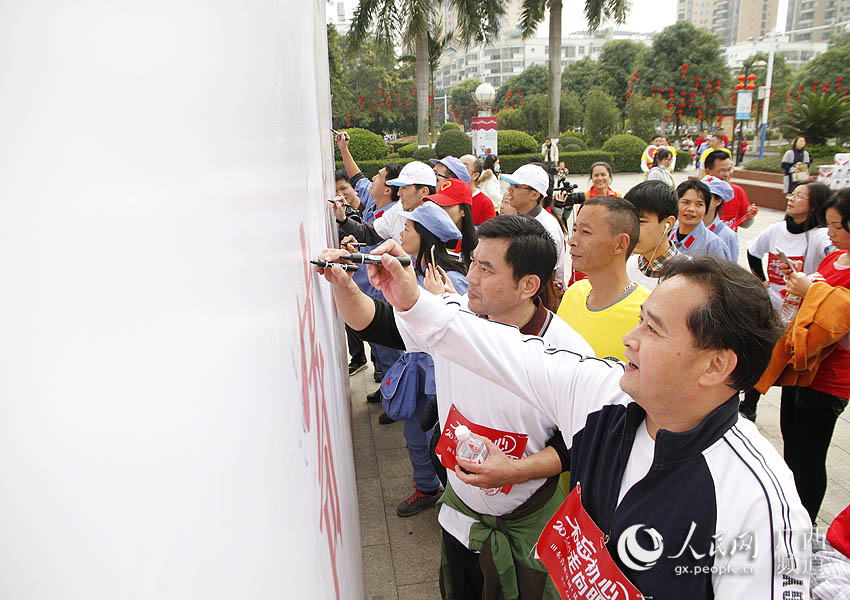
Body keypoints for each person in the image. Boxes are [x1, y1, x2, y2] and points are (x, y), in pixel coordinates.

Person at [365, 243, 811, 599]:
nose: (628, 340)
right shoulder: (604, 394)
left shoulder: (758, 502)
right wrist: (412, 301)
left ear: (715, 366)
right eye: (640, 321)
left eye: (653, 330)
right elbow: (502, 352)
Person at [314, 215, 593, 597]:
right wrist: (344, 285)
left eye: (487, 268)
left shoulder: (568, 351)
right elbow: (376, 324)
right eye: (474, 261)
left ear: (528, 285)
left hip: (530, 522)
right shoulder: (453, 317)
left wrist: (515, 470)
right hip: (462, 513)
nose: (472, 276)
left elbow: (580, 445)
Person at [380, 201, 468, 506]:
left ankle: (440, 490)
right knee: (416, 435)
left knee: (433, 436)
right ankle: (427, 485)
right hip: (419, 369)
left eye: (408, 228)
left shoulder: (448, 279)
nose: (402, 233)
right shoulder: (414, 269)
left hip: (437, 372)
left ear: (425, 235)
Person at [774, 189, 850, 522]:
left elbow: (840, 314)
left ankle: (805, 524)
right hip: (802, 364)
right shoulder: (834, 258)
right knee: (791, 444)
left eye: (837, 226)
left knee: (811, 455)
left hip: (831, 376)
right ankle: (790, 512)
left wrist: (813, 290)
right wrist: (801, 283)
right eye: (829, 224)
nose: (829, 233)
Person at [740, 181, 833, 422]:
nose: (791, 199)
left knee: (792, 363)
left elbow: (833, 254)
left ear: (815, 206)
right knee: (763, 356)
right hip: (773, 308)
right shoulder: (776, 229)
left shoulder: (820, 235)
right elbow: (753, 250)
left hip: (803, 316)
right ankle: (749, 405)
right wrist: (760, 280)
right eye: (792, 194)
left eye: (799, 196)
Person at [556, 197, 650, 362]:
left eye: (585, 232)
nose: (572, 241)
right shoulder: (573, 294)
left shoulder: (647, 315)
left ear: (620, 244)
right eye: (575, 230)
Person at [336, 160, 436, 245]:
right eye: (399, 187)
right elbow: (367, 233)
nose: (399, 193)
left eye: (404, 187)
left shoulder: (437, 218)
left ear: (423, 191)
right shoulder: (397, 209)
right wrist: (343, 219)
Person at [501, 164, 566, 287]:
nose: (509, 190)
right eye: (510, 185)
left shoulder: (546, 227)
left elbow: (546, 276)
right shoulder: (516, 219)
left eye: (516, 186)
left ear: (535, 195)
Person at [624, 181, 680, 290]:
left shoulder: (688, 276)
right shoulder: (627, 265)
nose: (631, 229)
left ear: (668, 224)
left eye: (640, 222)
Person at [426, 177, 478, 268]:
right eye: (437, 205)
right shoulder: (427, 236)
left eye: (445, 205)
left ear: (463, 211)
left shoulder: (478, 246)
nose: (439, 210)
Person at [669, 179, 727, 259]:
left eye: (699, 204)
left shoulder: (713, 245)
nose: (691, 209)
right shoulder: (666, 234)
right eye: (686, 202)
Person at [703, 149, 756, 229]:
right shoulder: (698, 193)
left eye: (729, 170)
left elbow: (745, 225)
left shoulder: (737, 191)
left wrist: (750, 216)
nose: (727, 174)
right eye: (722, 170)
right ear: (707, 172)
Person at [700, 176, 739, 262]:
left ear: (718, 201)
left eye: (707, 197)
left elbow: (731, 269)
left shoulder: (727, 235)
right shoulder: (681, 226)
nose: (701, 200)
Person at [459, 154, 497, 226]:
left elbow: (489, 233)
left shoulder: (485, 203)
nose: (458, 170)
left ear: (475, 175)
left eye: (464, 167)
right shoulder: (446, 197)